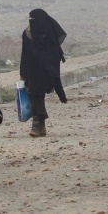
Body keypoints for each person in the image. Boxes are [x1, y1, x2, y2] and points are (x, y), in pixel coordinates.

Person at [20, 9, 68, 138]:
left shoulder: (49, 33)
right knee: (35, 95)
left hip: (47, 69)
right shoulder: (27, 33)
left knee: (37, 95)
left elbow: (55, 51)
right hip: (32, 70)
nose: (32, 23)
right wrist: (22, 72)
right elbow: (24, 54)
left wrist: (49, 63)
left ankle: (39, 124)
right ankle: (38, 124)